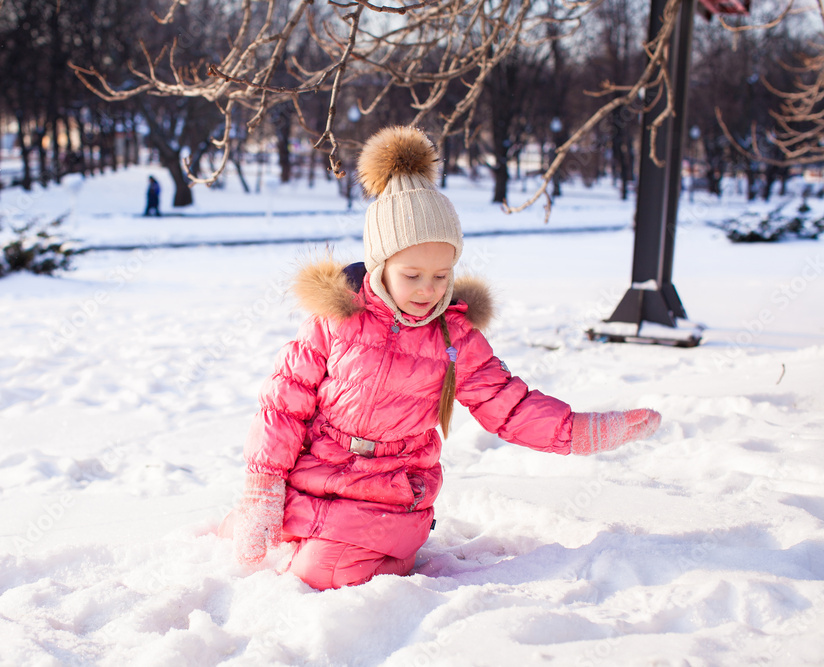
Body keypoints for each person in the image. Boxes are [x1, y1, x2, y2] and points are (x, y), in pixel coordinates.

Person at [221, 126, 662, 591]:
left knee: (320, 574)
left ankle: (388, 564)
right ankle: (300, 535)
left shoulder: (453, 337)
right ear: (380, 266)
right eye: (412, 274)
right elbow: (283, 407)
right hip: (316, 476)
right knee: (254, 539)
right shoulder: (336, 320)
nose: (428, 289)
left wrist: (582, 431)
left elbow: (507, 404)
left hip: (388, 494)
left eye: (441, 275)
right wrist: (264, 486)